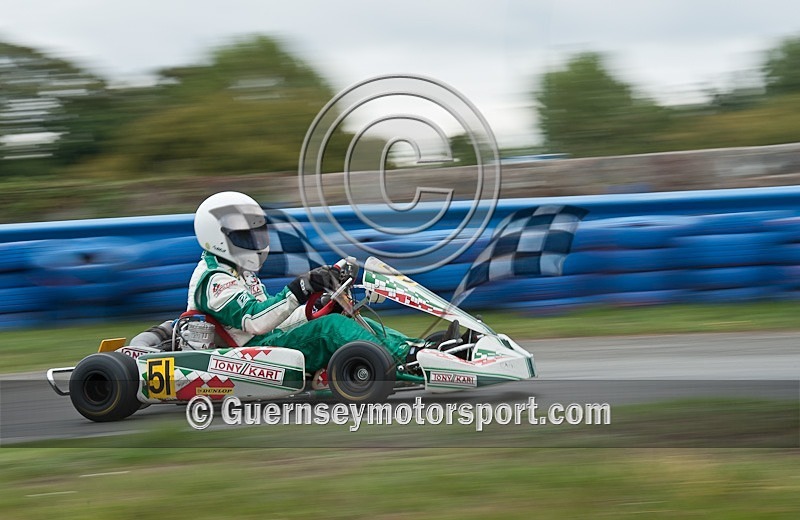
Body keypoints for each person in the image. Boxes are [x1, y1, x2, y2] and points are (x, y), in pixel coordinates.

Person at [186, 191, 416, 377]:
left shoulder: (238, 271)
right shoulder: (215, 279)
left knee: (343, 316)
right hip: (249, 356)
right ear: (217, 237)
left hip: (266, 342)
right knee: (330, 328)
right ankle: (399, 361)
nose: (254, 242)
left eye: (255, 235)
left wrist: (315, 307)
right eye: (245, 237)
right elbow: (256, 322)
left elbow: (274, 320)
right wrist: (299, 289)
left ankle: (416, 349)